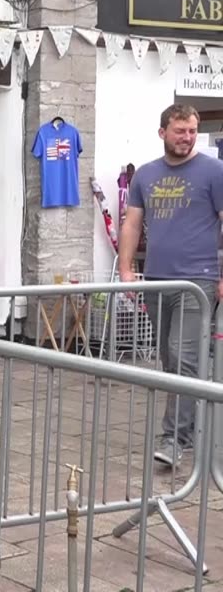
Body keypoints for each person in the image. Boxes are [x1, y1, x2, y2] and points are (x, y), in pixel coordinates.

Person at [118, 103, 223, 468]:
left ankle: (173, 439)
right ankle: (191, 429)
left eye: (192, 131)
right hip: (158, 278)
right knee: (170, 357)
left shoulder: (214, 171)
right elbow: (132, 223)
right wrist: (127, 268)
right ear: (163, 132)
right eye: (180, 131)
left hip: (198, 279)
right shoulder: (145, 175)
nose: (187, 137)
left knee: (183, 355)